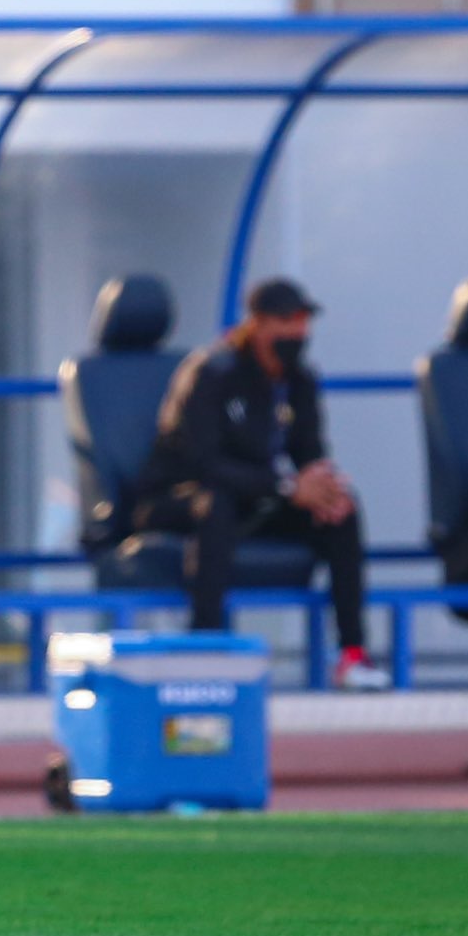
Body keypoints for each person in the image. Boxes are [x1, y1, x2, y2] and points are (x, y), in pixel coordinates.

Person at [133, 278, 381, 691]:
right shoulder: (211, 372)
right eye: (285, 321)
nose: (296, 333)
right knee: (217, 504)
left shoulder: (299, 379)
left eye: (302, 321)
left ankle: (353, 655)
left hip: (254, 499)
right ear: (257, 324)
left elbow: (309, 453)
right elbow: (203, 463)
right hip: (176, 500)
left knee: (342, 510)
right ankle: (206, 649)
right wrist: (286, 488)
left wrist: (323, 487)